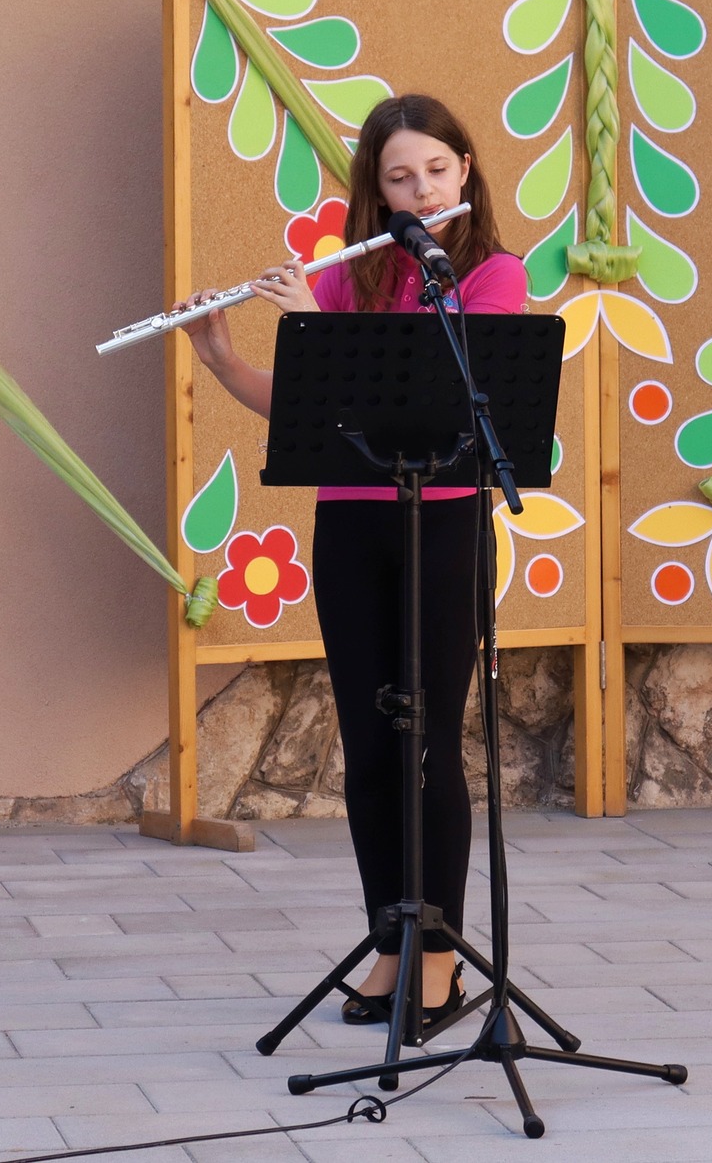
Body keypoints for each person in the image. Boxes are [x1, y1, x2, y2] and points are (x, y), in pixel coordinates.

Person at [172, 94, 528, 1028]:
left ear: (465, 169)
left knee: (428, 742)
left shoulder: (491, 274)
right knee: (370, 744)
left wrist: (317, 329)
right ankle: (390, 944)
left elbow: (438, 389)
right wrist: (223, 357)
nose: (423, 190)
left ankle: (442, 961)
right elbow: (315, 402)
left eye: (437, 171)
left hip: (444, 525)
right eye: (400, 177)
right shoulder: (349, 277)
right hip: (352, 525)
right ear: (376, 189)